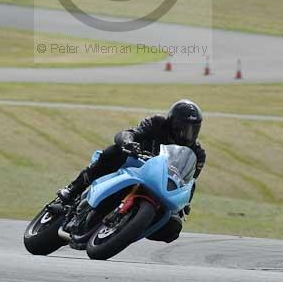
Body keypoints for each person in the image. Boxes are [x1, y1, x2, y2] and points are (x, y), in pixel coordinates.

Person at [52, 99, 206, 240]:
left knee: (173, 228)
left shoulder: (197, 153)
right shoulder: (157, 123)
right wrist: (128, 142)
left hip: (161, 183)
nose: (187, 134)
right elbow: (130, 133)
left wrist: (184, 204)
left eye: (193, 129)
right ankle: (72, 190)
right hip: (135, 164)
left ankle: (132, 226)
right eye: (183, 128)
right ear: (172, 122)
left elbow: (190, 181)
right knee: (112, 152)